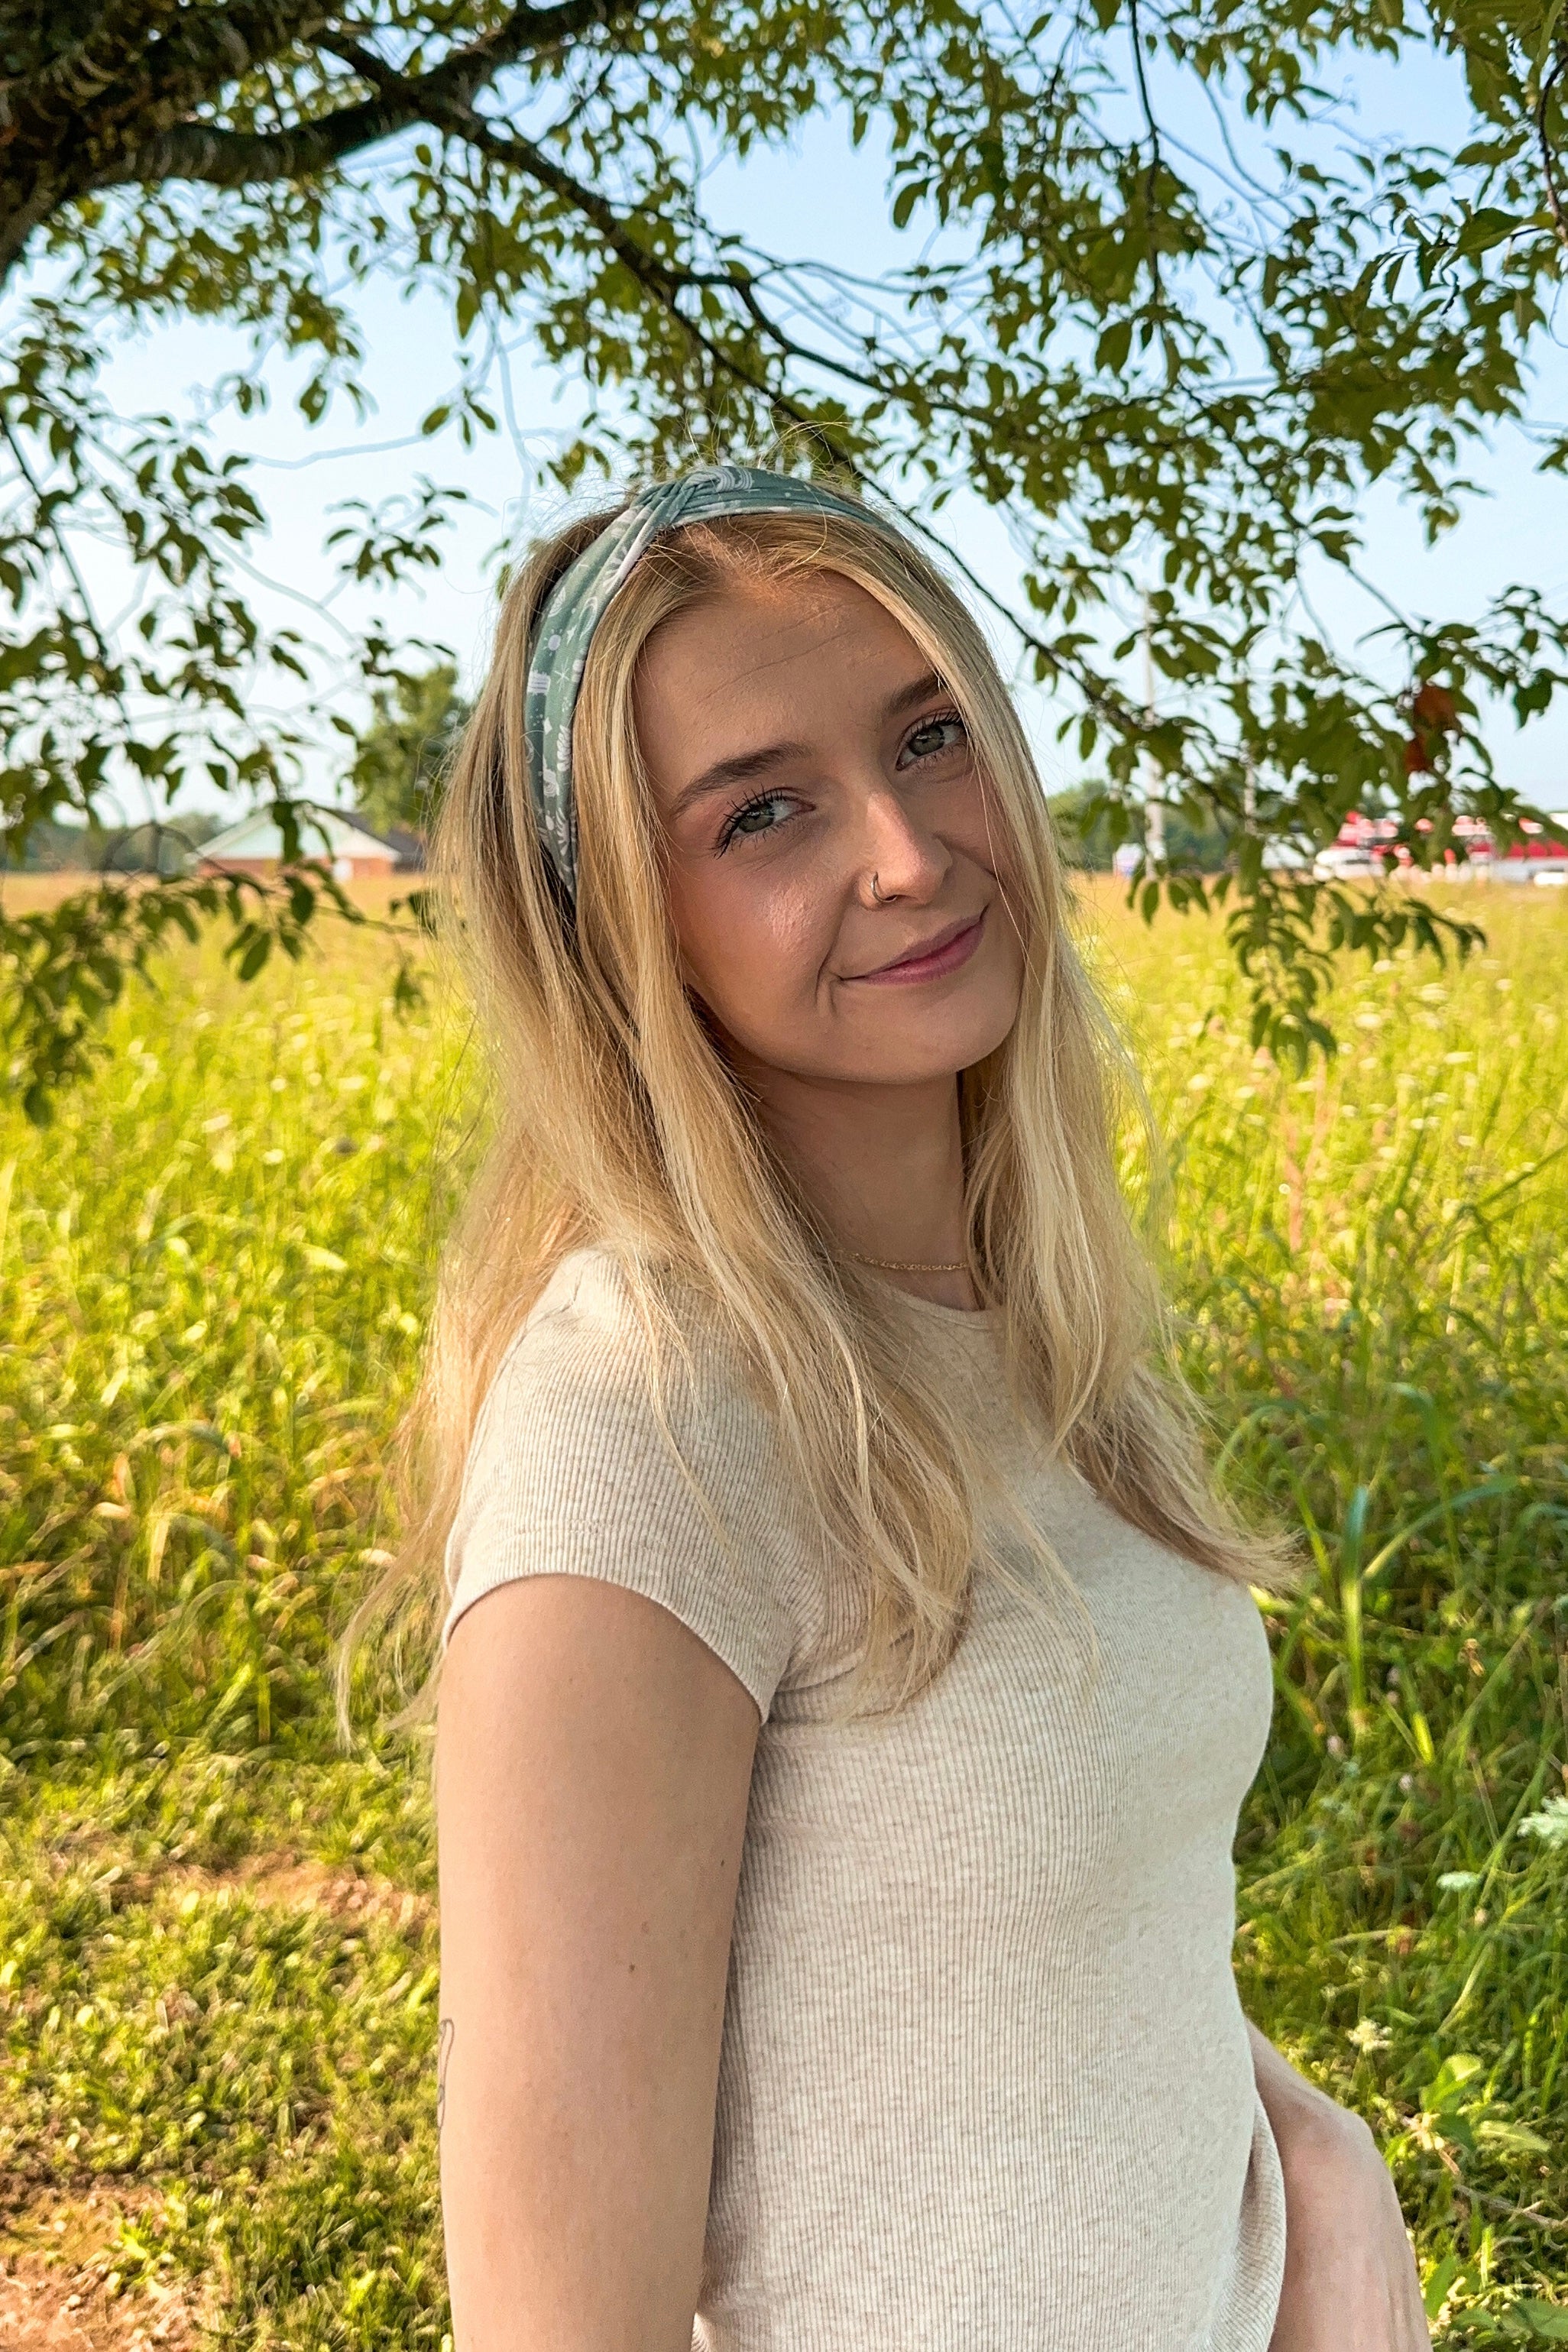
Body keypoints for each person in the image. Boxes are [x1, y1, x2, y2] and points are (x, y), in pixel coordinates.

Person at [400, 467, 1428, 2350]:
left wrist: (1326, 2192)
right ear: (621, 924)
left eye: (932, 735)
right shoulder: (645, 1417)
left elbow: (1064, 1940)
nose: (903, 850)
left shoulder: (1041, 1334)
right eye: (764, 811)